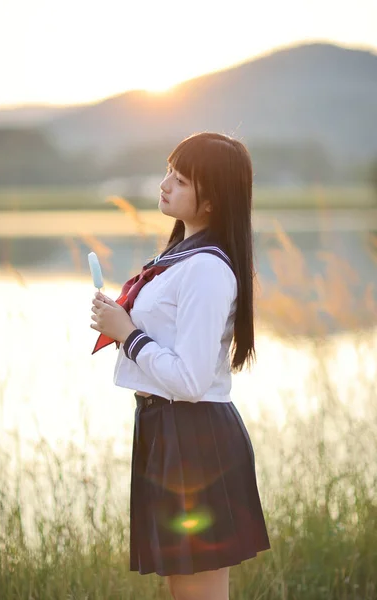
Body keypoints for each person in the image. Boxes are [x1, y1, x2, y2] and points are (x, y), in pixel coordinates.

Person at [90, 132, 271, 600]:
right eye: (169, 170)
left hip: (194, 437)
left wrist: (128, 333)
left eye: (182, 178)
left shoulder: (207, 269)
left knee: (199, 593)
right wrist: (124, 322)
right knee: (184, 591)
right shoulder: (181, 257)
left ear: (210, 200)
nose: (165, 183)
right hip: (169, 430)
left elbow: (190, 379)